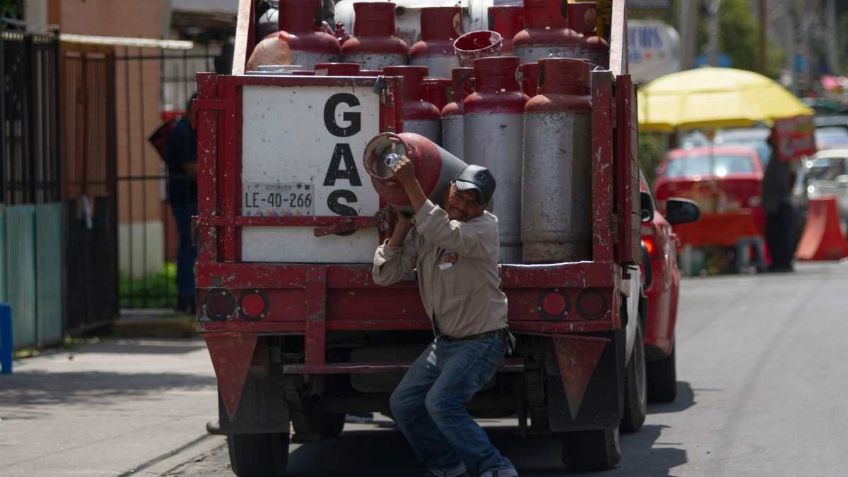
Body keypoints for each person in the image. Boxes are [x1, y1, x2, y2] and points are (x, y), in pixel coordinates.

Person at [372, 157, 518, 477]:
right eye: (460, 196)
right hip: (446, 344)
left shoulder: (484, 228)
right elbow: (386, 274)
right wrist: (402, 223)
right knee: (404, 404)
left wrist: (410, 183)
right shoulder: (428, 229)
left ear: (483, 208)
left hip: (481, 341)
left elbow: (445, 232)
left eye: (472, 203)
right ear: (449, 188)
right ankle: (447, 466)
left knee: (442, 403)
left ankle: (495, 467)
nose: (463, 206)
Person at [165, 94, 198, 313]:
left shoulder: (186, 130)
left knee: (190, 247)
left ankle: (187, 295)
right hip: (185, 199)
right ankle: (186, 296)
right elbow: (191, 168)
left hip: (187, 198)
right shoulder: (182, 132)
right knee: (189, 247)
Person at [761, 128, 796, 272]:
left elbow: (785, 180)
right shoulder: (776, 154)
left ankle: (782, 262)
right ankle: (778, 261)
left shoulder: (783, 155)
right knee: (774, 234)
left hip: (779, 203)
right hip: (774, 203)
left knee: (781, 233)